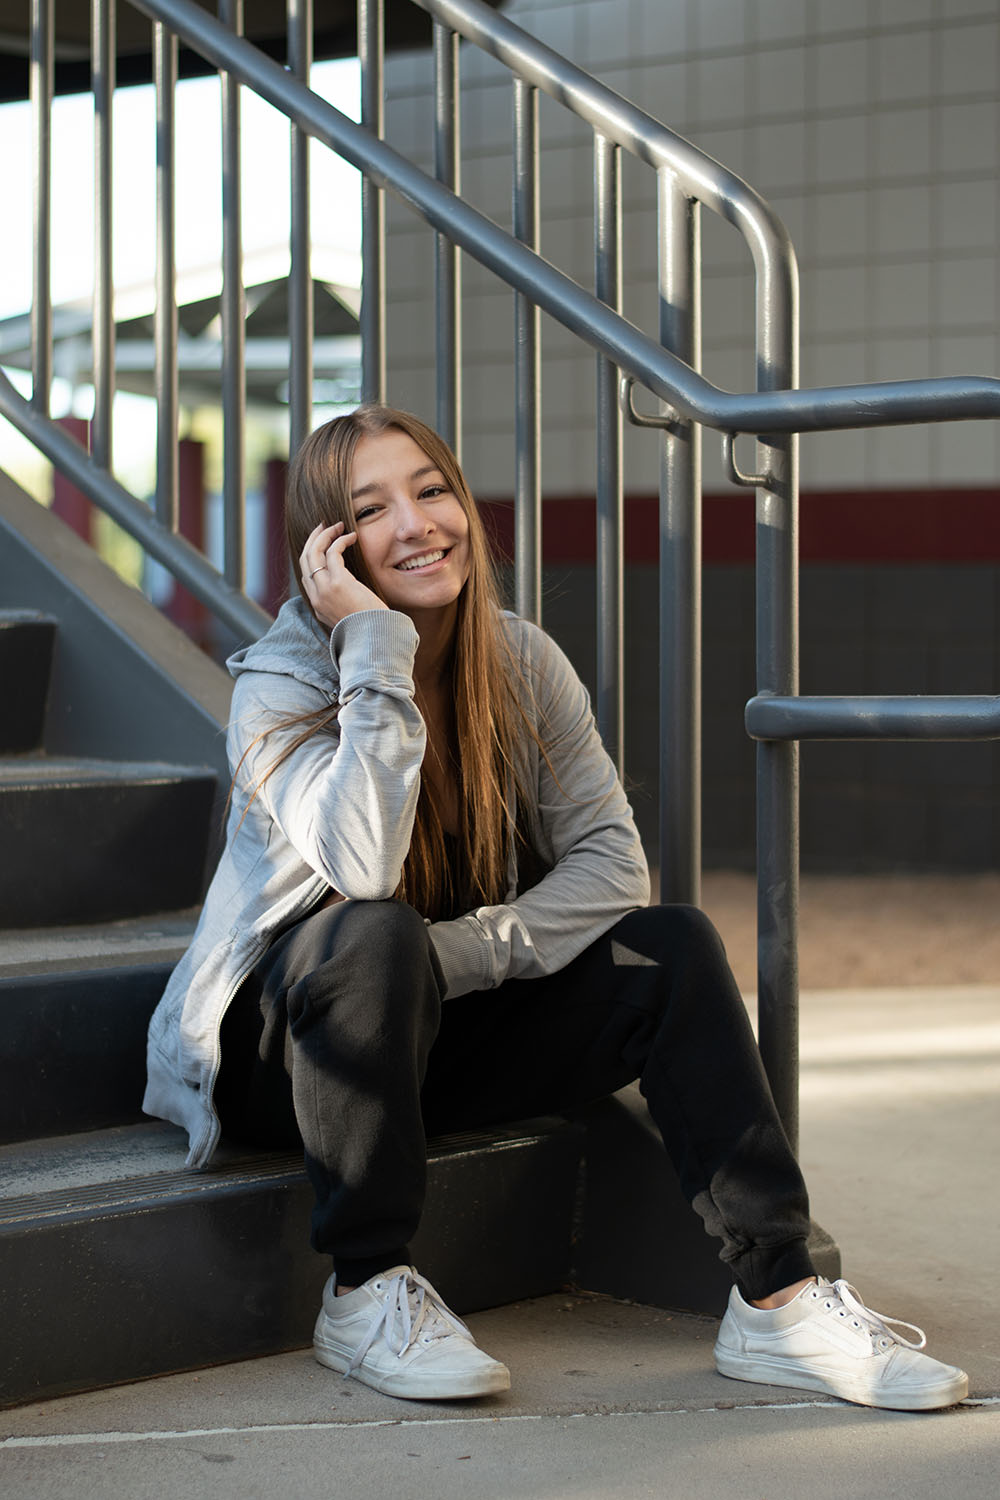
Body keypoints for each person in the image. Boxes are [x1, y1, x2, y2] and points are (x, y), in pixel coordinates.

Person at [144, 404, 968, 1411]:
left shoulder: (520, 664)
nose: (415, 524)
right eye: (371, 509)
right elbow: (360, 868)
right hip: (286, 1057)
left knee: (664, 951)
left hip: (426, 1018)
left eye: (431, 489)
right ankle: (365, 1289)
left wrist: (452, 963)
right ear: (329, 551)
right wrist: (372, 645)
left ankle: (778, 1299)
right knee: (373, 936)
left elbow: (614, 867)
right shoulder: (279, 686)